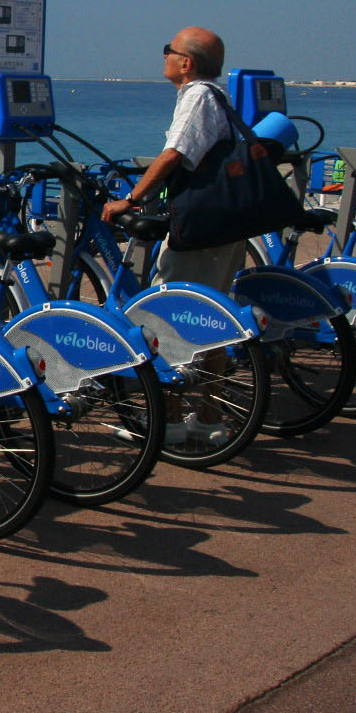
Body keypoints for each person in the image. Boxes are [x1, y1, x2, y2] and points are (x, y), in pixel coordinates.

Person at [100, 25, 241, 444]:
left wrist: (131, 197)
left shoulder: (197, 96)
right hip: (227, 222)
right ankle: (209, 417)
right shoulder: (218, 96)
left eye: (168, 50)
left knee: (168, 314)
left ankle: (171, 424)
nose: (163, 56)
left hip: (201, 228)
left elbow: (174, 154)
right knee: (213, 318)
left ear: (187, 63)